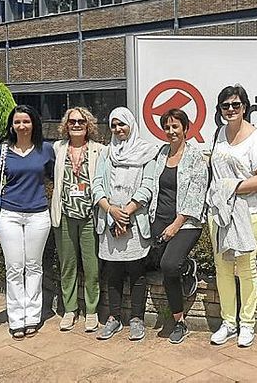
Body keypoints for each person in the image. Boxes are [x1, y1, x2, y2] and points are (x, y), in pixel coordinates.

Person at [0, 105, 55, 340]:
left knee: (34, 266)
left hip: (38, 215)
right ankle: (16, 318)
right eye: (17, 122)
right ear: (12, 125)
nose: (22, 126)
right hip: (9, 215)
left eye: (26, 121)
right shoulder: (3, 151)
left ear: (34, 124)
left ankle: (32, 316)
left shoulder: (46, 150)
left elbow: (54, 178)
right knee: (14, 267)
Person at [207, 85, 257, 348]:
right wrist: (220, 193)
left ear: (245, 107)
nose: (231, 110)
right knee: (222, 269)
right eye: (225, 106)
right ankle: (228, 323)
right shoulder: (219, 133)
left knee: (246, 270)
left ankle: (247, 324)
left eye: (235, 105)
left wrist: (230, 186)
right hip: (220, 213)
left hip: (248, 211)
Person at [92, 107, 158, 341]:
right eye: (114, 125)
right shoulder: (107, 154)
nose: (118, 129)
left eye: (122, 124)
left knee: (137, 273)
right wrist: (112, 212)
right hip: (109, 220)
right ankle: (114, 318)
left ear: (131, 124)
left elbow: (148, 185)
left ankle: (137, 318)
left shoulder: (147, 152)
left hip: (135, 220)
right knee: (113, 272)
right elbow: (97, 185)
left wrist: (126, 213)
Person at [146, 108, 207, 344]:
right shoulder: (160, 154)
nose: (171, 131)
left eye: (176, 126)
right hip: (159, 218)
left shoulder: (195, 157)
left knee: (169, 265)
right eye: (167, 127)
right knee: (146, 262)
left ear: (185, 129)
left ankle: (179, 321)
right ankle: (187, 267)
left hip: (186, 222)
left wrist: (176, 224)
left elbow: (196, 195)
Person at [51, 107, 105, 333]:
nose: (76, 125)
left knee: (91, 266)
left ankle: (91, 311)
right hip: (64, 215)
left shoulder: (99, 150)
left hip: (89, 216)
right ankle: (70, 309)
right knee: (68, 265)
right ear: (66, 124)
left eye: (81, 122)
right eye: (72, 121)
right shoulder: (58, 148)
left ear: (88, 125)